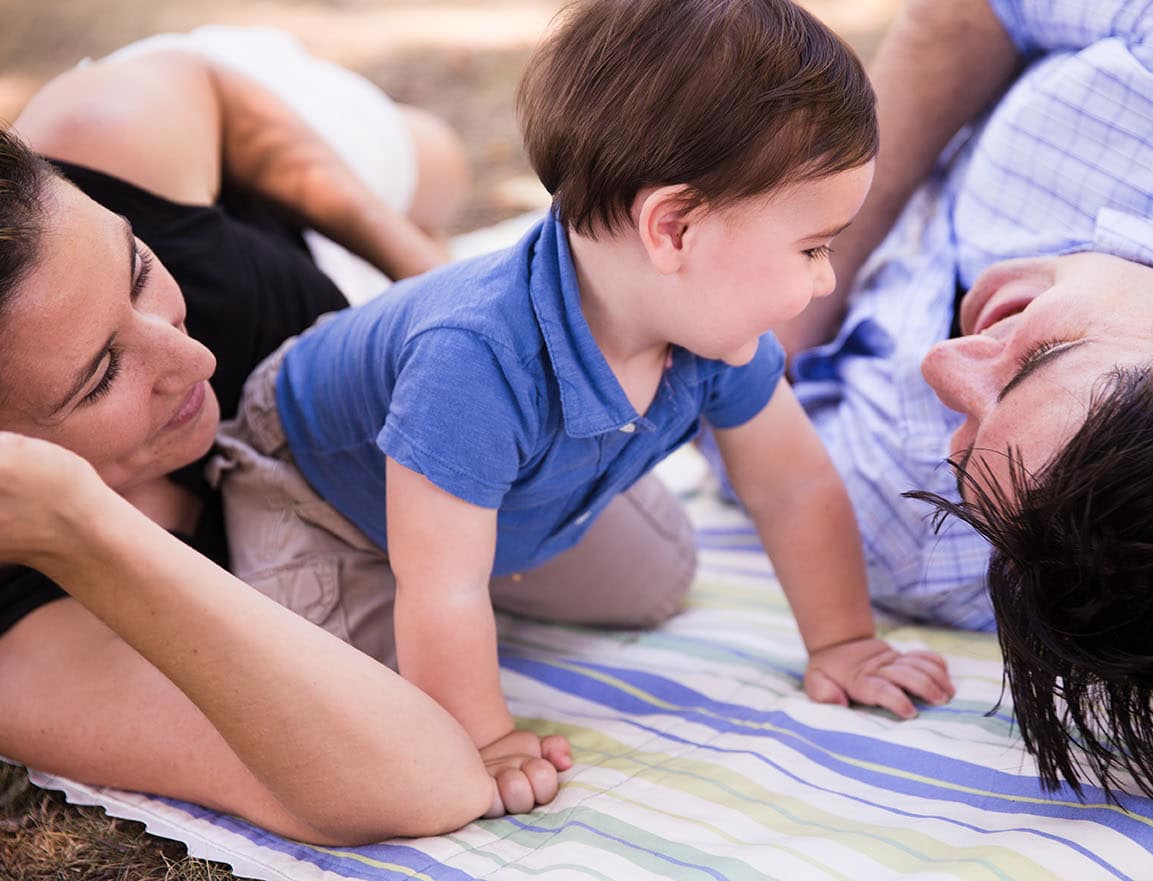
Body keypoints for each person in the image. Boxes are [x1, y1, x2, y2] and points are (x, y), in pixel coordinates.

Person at [208, 0, 957, 815]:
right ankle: (371, 559)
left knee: (657, 578)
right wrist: (481, 734)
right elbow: (443, 585)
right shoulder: (475, 355)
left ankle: (479, 520)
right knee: (341, 715)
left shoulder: (713, 331)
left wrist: (844, 640)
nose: (823, 281)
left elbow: (792, 485)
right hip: (316, 486)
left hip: (475, 504)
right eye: (812, 248)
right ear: (673, 229)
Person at [0, 28, 690, 843]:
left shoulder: (99, 143)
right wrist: (82, 523)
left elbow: (206, 88)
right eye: (101, 375)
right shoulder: (26, 631)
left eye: (141, 271)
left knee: (434, 163)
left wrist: (419, 272)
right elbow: (424, 781)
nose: (193, 357)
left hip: (315, 221)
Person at [780, 0, 1153, 819]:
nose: (942, 362)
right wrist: (822, 240)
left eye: (964, 450)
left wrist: (766, 320)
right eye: (1039, 358)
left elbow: (730, 401)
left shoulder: (913, 539)